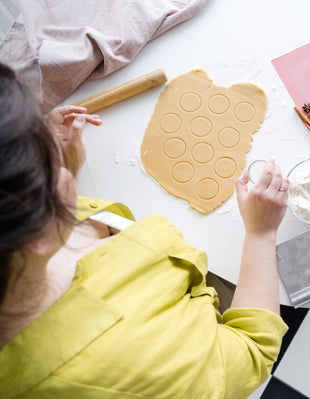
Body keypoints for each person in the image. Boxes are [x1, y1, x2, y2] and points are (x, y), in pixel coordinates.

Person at [0, 63, 289, 398]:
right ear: (36, 233)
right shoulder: (140, 368)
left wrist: (54, 169)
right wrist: (261, 234)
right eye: (49, 176)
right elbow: (252, 351)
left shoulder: (14, 248)